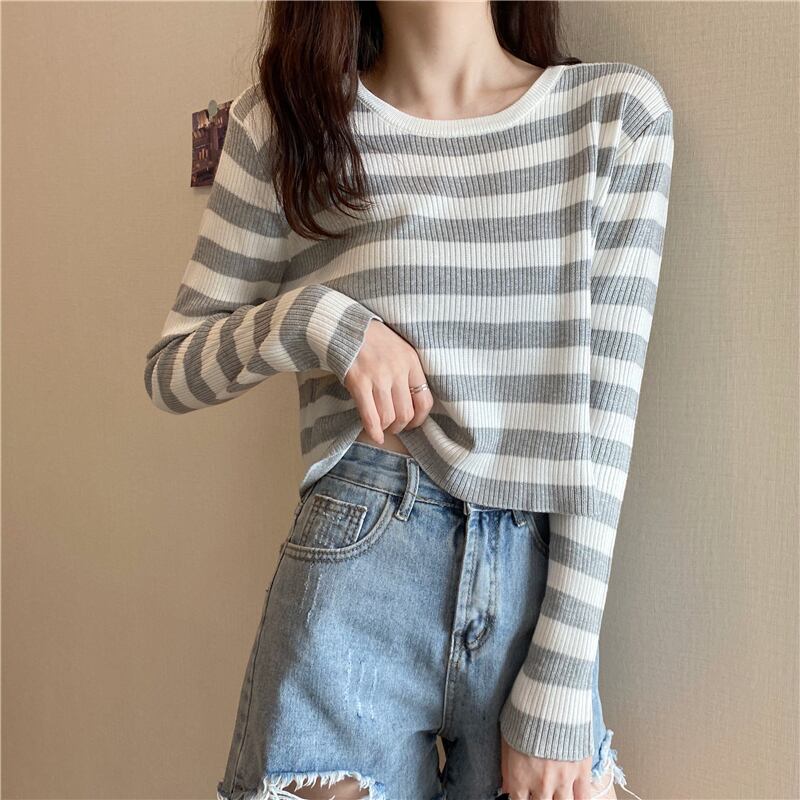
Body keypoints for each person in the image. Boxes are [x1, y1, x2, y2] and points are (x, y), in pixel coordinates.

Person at [144, 2, 674, 799]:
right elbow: (173, 370)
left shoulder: (616, 117)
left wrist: (563, 672)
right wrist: (316, 321)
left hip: (538, 588)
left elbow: (603, 424)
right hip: (355, 572)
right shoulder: (284, 125)